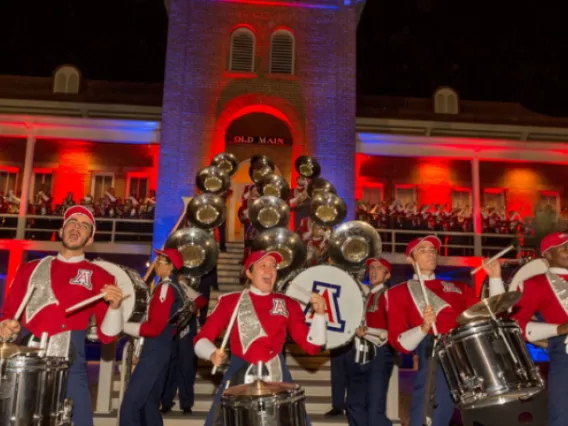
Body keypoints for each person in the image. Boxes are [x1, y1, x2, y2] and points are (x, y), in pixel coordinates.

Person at [0, 205, 124, 426]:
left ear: (89, 239)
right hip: (27, 358)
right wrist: (6, 327)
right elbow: (9, 315)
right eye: (72, 223)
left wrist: (115, 308)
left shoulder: (100, 275)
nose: (77, 228)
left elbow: (107, 337)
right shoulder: (29, 269)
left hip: (71, 360)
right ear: (61, 230)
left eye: (84, 226)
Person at [194, 250, 328, 426]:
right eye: (262, 265)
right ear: (249, 273)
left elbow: (312, 347)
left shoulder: (288, 303)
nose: (270, 271)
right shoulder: (230, 301)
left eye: (273, 266)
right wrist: (212, 353)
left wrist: (320, 315)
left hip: (277, 375)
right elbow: (201, 339)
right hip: (238, 373)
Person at [386, 235, 503, 426]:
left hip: (466, 349)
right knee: (430, 409)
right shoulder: (398, 292)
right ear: (410, 259)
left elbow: (491, 313)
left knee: (466, 410)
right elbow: (399, 342)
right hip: (434, 349)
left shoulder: (459, 287)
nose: (430, 254)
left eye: (432, 250)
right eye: (422, 250)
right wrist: (423, 328)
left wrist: (495, 277)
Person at [120, 248, 193, 426]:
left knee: (131, 403)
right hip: (163, 349)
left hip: (155, 349)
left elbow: (154, 328)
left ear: (170, 267)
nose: (156, 263)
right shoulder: (174, 287)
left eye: (160, 261)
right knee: (148, 404)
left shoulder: (165, 288)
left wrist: (122, 326)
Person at [511, 232, 568, 426]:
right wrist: (557, 329)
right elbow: (516, 325)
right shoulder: (534, 283)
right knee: (562, 416)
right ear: (548, 255)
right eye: (564, 248)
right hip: (565, 354)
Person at [347, 257, 394, 426]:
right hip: (361, 353)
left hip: (379, 354)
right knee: (353, 404)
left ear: (387, 275)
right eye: (371, 268)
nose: (373, 271)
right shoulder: (367, 295)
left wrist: (367, 331)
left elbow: (392, 330)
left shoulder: (388, 295)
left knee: (375, 410)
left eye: (379, 268)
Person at [161, 274, 208, 415]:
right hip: (171, 333)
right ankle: (166, 402)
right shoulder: (167, 289)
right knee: (170, 369)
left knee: (187, 370)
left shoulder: (186, 290)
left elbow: (201, 301)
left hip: (187, 334)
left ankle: (186, 403)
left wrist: (184, 287)